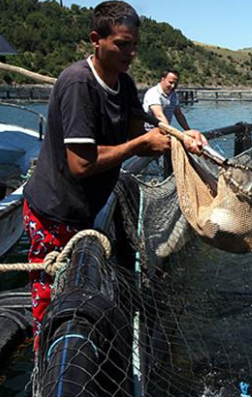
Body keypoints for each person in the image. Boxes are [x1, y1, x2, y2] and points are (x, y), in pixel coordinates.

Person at [22, 0, 206, 351]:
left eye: (134, 44)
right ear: (96, 39)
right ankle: (48, 372)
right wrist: (138, 146)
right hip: (54, 211)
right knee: (51, 308)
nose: (131, 52)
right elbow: (81, 164)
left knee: (81, 292)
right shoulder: (79, 84)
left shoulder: (123, 82)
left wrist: (184, 137)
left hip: (88, 208)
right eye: (122, 44)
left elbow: (141, 127)